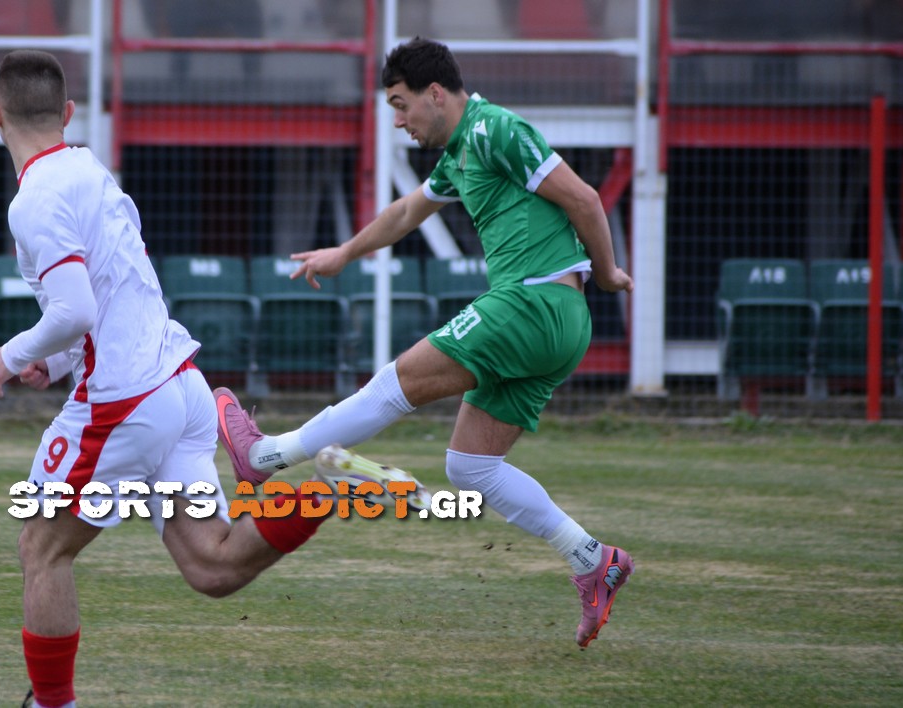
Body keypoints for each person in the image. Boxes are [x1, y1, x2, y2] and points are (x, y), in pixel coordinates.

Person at [0, 50, 426, 708]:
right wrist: (61, 359)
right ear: (67, 113)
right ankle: (325, 492)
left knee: (41, 549)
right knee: (212, 566)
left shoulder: (35, 197)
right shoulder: (90, 170)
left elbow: (75, 310)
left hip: (123, 402)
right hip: (179, 386)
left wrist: (12, 354)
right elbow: (116, 291)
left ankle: (52, 704)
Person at [213, 37, 636, 650]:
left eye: (400, 104)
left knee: (396, 384)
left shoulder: (493, 129)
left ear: (435, 94)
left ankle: (264, 456)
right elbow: (407, 211)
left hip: (533, 303)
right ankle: (592, 558)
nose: (398, 121)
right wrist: (344, 252)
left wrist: (607, 271)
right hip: (557, 323)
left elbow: (584, 198)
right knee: (471, 466)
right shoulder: (460, 152)